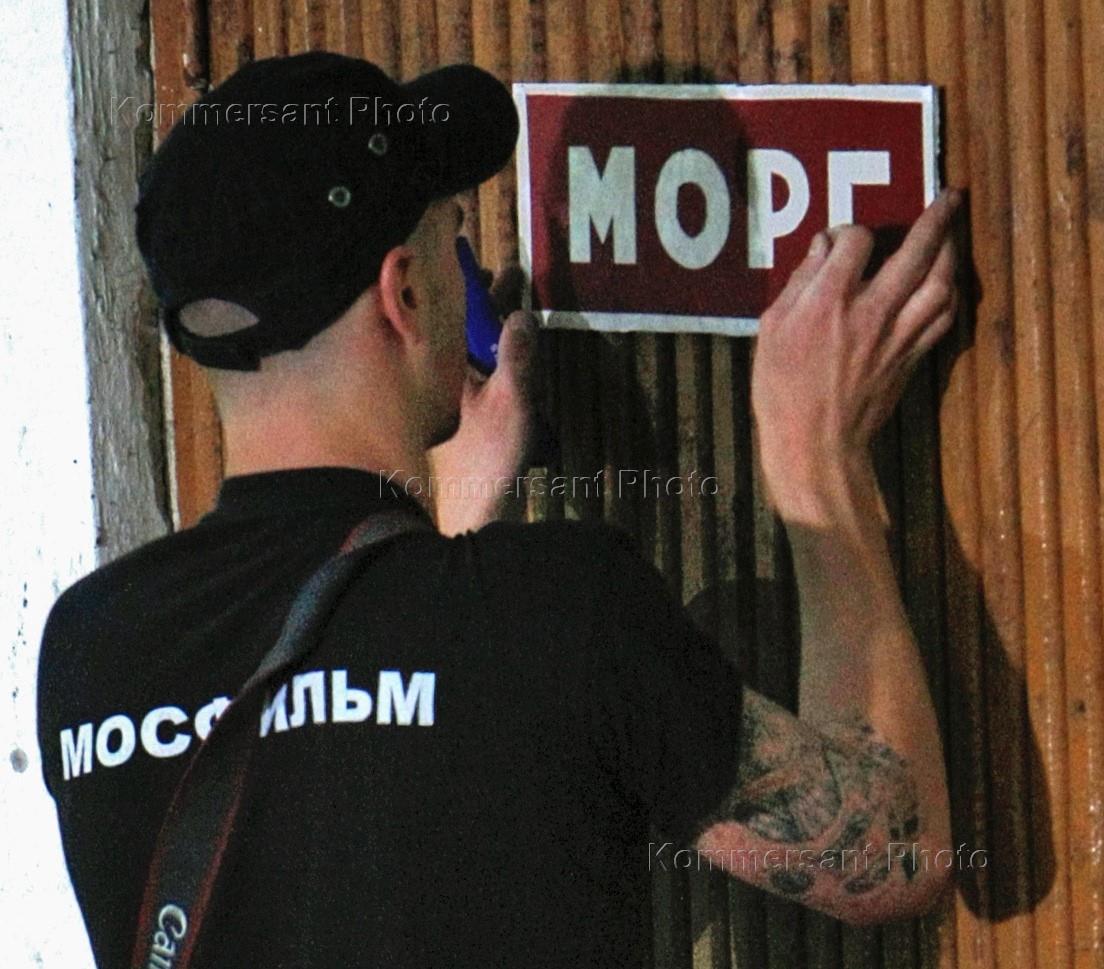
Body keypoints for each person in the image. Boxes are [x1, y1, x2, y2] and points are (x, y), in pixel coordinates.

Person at [37, 52, 960, 968]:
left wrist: (442, 530)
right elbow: (889, 852)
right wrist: (814, 457)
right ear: (404, 292)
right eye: (455, 238)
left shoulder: (93, 650)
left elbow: (344, 808)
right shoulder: (554, 605)